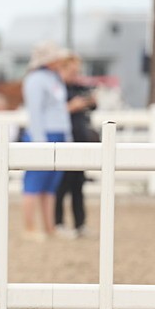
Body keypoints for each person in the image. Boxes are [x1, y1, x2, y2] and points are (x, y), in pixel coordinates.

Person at [21, 41, 74, 241]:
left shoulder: (53, 78)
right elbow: (35, 112)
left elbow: (60, 110)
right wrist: (39, 140)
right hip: (43, 135)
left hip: (57, 134)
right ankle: (30, 227)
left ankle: (49, 227)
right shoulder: (35, 79)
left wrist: (66, 136)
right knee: (34, 183)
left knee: (51, 186)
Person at [54, 55, 97, 237]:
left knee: (78, 184)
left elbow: (92, 107)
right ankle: (58, 223)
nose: (75, 75)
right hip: (64, 140)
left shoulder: (78, 87)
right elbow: (53, 111)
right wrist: (72, 106)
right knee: (61, 186)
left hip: (80, 139)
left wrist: (91, 102)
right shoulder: (56, 89)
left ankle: (80, 224)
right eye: (72, 71)